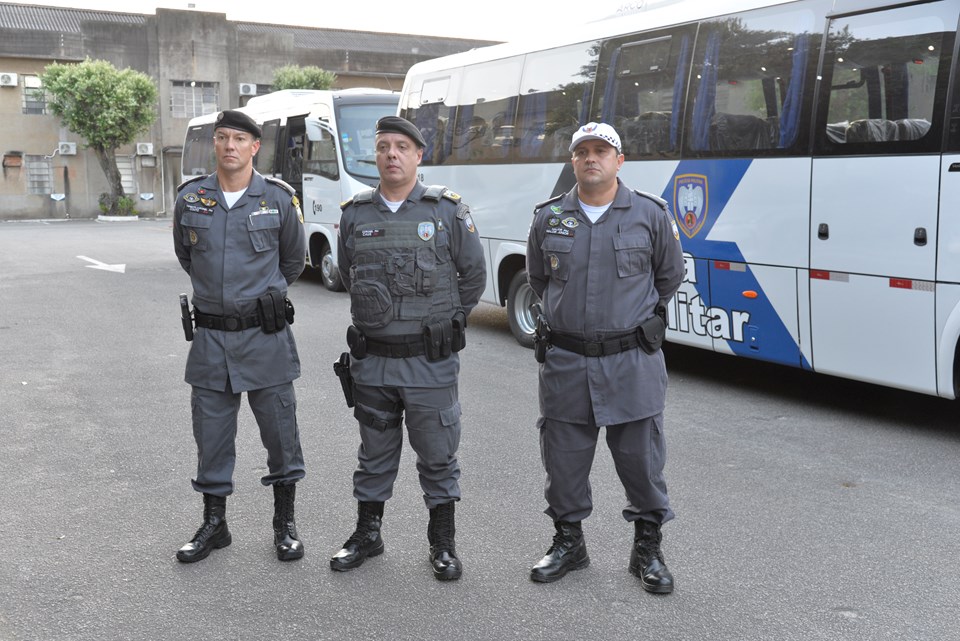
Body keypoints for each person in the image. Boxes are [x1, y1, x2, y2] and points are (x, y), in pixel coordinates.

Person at [526, 122, 684, 593]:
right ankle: (569, 543)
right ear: (572, 161)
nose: (591, 158)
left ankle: (647, 550)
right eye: (583, 151)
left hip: (631, 362)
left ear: (620, 160)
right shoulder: (549, 217)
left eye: (602, 150)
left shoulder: (650, 215)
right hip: (567, 362)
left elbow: (668, 277)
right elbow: (539, 279)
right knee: (565, 462)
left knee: (641, 460)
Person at [331, 116, 486, 581]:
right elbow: (348, 272)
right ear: (374, 156)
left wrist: (449, 322)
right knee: (373, 452)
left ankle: (442, 544)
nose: (392, 155)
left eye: (401, 147)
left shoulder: (446, 211)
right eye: (383, 147)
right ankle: (368, 534)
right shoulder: (355, 214)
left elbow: (474, 275)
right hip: (373, 362)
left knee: (437, 453)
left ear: (419, 156)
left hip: (429, 362)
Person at [172, 109, 307, 563]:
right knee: (210, 434)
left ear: (255, 148)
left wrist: (257, 299)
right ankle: (215, 524)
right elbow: (187, 257)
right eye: (222, 137)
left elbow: (292, 262)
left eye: (240, 139)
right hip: (210, 340)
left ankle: (284, 524)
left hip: (264, 337)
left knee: (280, 433)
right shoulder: (191, 200)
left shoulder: (278, 200)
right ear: (215, 144)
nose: (230, 146)